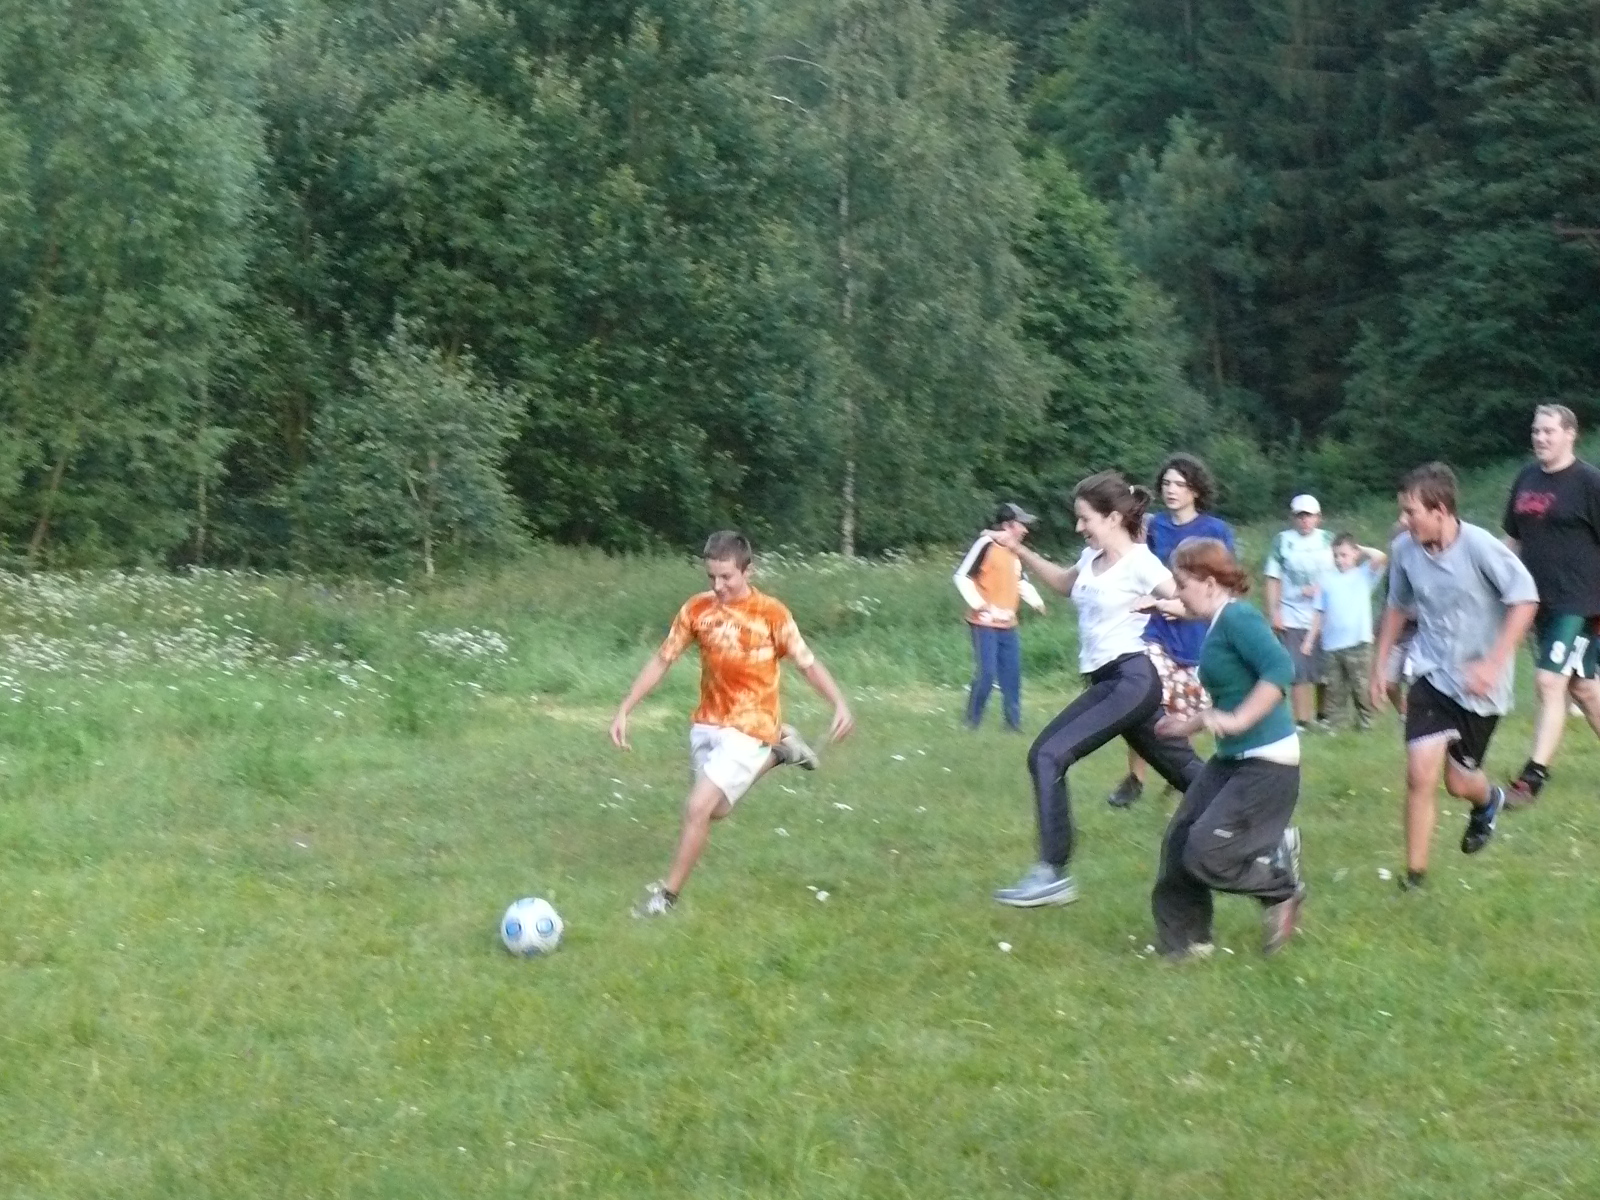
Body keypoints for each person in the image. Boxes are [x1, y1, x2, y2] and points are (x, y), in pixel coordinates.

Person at [610, 530, 855, 916]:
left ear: (748, 571)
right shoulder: (696, 610)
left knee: (697, 808)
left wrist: (838, 702)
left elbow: (807, 664)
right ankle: (782, 752)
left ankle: (666, 898)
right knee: (716, 810)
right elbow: (662, 660)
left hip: (752, 723)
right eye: (711, 577)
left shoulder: (771, 613)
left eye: (727, 577)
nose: (718, 586)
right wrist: (626, 707)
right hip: (709, 721)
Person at [988, 472, 1204, 907]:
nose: (1079, 527)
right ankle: (1270, 832)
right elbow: (1064, 585)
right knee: (1190, 776)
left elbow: (1193, 604)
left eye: (1085, 518)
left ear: (1112, 518)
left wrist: (1161, 604)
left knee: (1047, 755)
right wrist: (1019, 550)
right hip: (1113, 682)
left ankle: (1051, 872)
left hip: (1131, 679)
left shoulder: (1141, 562)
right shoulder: (1091, 557)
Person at [1369, 463, 1538, 891]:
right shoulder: (1406, 550)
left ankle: (1488, 800)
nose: (1404, 521)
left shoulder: (1480, 547)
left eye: (1411, 512)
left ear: (1440, 510)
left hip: (1480, 685)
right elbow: (1396, 606)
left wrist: (1493, 663)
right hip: (1432, 672)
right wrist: (1380, 665)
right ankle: (1414, 878)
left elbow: (1525, 600)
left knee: (1458, 782)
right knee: (1419, 772)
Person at [1150, 538, 1304, 959]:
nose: (1179, 593)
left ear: (1209, 582)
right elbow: (1221, 704)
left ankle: (1280, 885)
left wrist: (1239, 721)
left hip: (1267, 763)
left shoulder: (1238, 618)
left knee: (1205, 852)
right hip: (1233, 759)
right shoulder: (1218, 621)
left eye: (1182, 584)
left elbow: (1280, 668)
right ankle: (1187, 944)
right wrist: (1186, 725)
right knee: (1180, 840)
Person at [1108, 454, 1235, 808]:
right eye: (1166, 483)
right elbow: (1134, 567)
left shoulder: (1216, 530)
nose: (1171, 490)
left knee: (1185, 706)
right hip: (1157, 629)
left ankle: (1179, 772)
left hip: (1196, 631)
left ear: (1196, 490)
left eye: (1180, 484)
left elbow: (1227, 580)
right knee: (1142, 700)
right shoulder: (1154, 527)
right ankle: (1134, 778)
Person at [1500, 403, 1600, 807]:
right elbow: (1512, 539)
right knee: (1585, 690)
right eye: (1536, 431)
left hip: (1581, 602)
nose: (1540, 438)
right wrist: (1497, 581)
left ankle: (1532, 779)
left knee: (1548, 681)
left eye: (1548, 431)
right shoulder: (1526, 478)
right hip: (1539, 602)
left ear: (1570, 434)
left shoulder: (1589, 482)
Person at [954, 502, 1048, 730]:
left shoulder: (1015, 552)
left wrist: (1036, 601)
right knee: (986, 674)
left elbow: (1020, 581)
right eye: (1021, 525)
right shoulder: (986, 544)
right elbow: (961, 576)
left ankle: (1013, 725)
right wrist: (978, 604)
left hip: (1008, 624)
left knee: (1011, 675)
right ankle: (971, 722)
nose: (1025, 530)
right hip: (983, 623)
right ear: (1007, 525)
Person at [1263, 494, 1335, 731]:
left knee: (1325, 668)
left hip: (1325, 614)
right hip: (1292, 613)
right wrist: (1274, 612)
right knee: (1297, 668)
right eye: (1300, 515)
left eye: (1309, 515)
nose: (1305, 520)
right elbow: (1273, 578)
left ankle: (1325, 715)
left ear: (1318, 517)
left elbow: (1342, 573)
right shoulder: (1282, 541)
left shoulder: (1328, 540)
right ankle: (1301, 720)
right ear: (1293, 517)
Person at [1305, 533, 1388, 731]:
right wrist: (1309, 640)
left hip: (1358, 642)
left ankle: (1366, 721)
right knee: (1334, 688)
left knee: (1360, 686)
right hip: (1332, 644)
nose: (1339, 560)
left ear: (1355, 554)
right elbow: (1319, 612)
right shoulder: (1326, 580)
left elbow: (1381, 557)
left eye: (1344, 555)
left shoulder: (1364, 574)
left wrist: (1360, 548)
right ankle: (1335, 724)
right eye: (1336, 555)